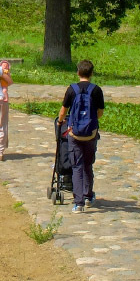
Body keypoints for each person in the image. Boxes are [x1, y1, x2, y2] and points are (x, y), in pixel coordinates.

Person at [57, 59, 105, 213]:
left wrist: (60, 122)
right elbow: (100, 113)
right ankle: (88, 196)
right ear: (91, 73)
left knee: (77, 166)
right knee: (88, 165)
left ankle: (78, 204)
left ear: (78, 72)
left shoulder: (71, 89)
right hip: (90, 133)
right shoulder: (96, 90)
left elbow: (63, 111)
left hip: (74, 133)